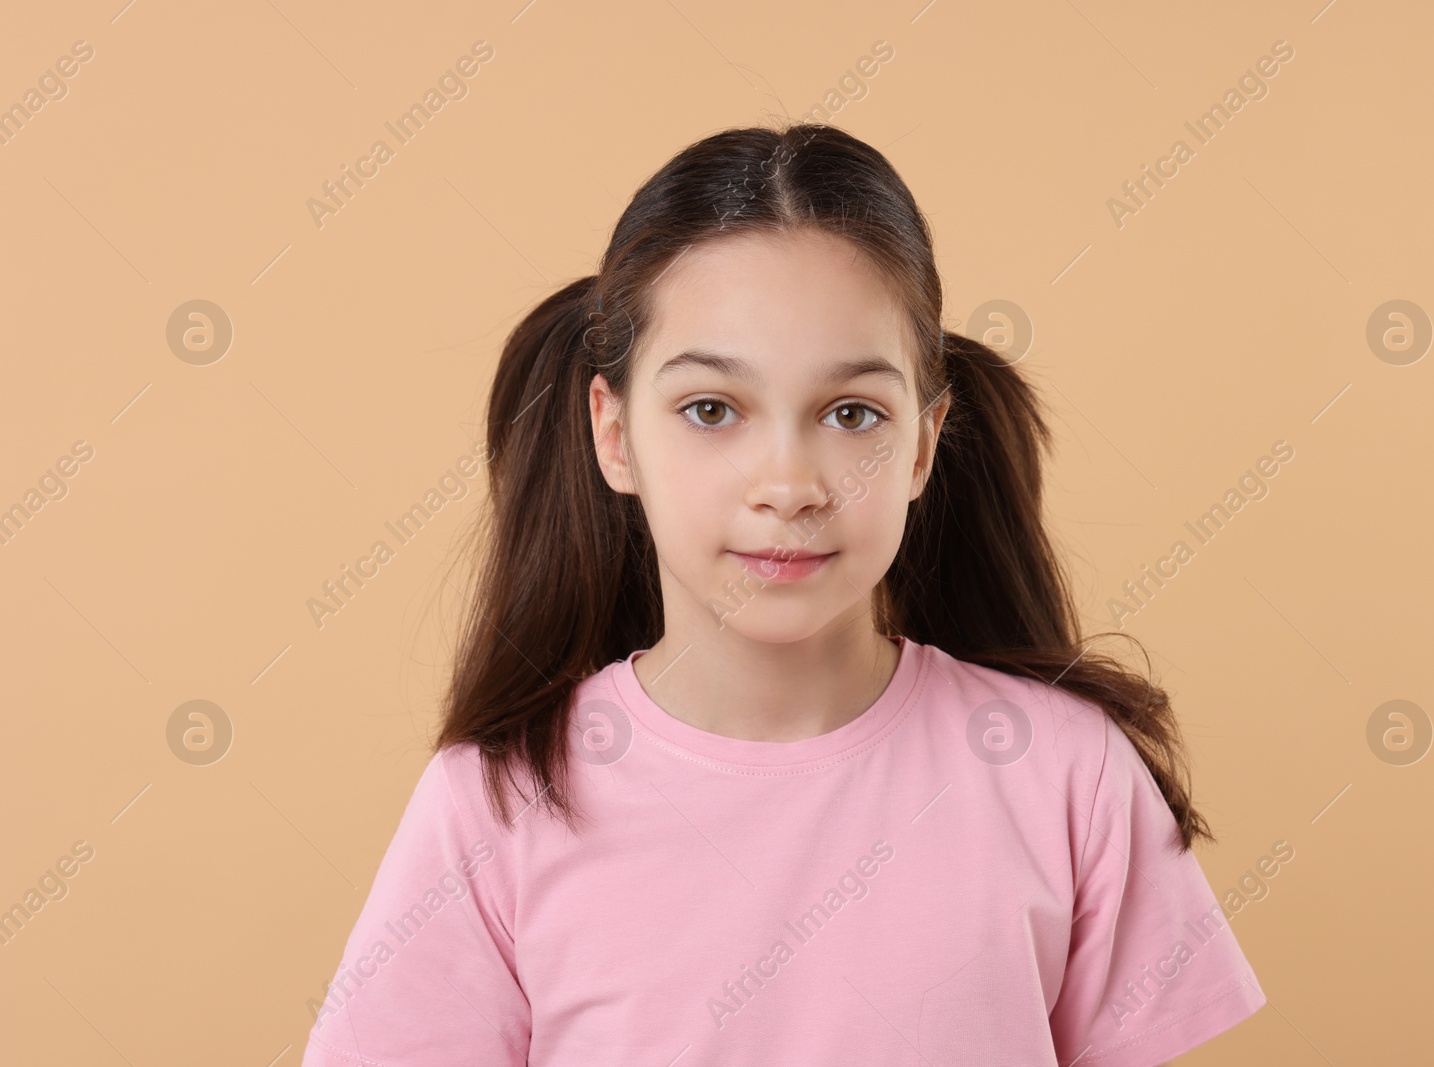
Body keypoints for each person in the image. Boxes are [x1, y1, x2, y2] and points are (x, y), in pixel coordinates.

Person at [301, 122, 1265, 1066]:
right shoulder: (498, 801)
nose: (791, 484)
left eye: (852, 414)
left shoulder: (1067, 775)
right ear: (614, 433)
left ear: (924, 443)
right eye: (711, 409)